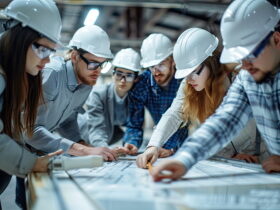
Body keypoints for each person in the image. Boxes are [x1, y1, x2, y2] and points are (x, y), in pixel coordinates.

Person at [151, 0, 280, 181]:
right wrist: (184, 159)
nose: (245, 65)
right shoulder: (247, 78)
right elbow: (224, 122)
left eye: (251, 53)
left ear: (276, 40)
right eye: (240, 58)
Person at [136, 28, 268, 168]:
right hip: (227, 159)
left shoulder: (240, 77)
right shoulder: (189, 85)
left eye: (194, 72)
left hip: (261, 156)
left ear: (210, 62)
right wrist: (153, 146)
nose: (190, 79)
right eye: (186, 74)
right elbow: (174, 114)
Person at [0, 0, 63, 208]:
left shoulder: (13, 77)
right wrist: (32, 164)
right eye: (43, 50)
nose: (46, 61)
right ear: (20, 38)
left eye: (50, 53)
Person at [24, 25, 118, 161]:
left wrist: (82, 144)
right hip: (11, 145)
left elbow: (66, 120)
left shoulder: (86, 82)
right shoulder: (52, 74)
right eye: (93, 63)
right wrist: (83, 150)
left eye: (102, 65)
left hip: (35, 148)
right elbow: (29, 128)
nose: (97, 71)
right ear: (74, 56)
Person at [123, 34, 189, 155]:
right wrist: (132, 142)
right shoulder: (141, 85)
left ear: (173, 60)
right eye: (151, 66)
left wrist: (173, 150)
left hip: (189, 144)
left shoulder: (187, 80)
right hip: (159, 146)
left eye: (161, 64)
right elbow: (134, 123)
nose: (155, 71)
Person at [77, 48, 140, 149]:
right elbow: (96, 127)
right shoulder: (98, 94)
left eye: (129, 75)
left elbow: (135, 126)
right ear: (113, 74)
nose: (123, 80)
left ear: (136, 78)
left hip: (107, 137)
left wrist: (130, 143)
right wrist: (104, 149)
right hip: (82, 134)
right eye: (119, 74)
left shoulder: (136, 98)